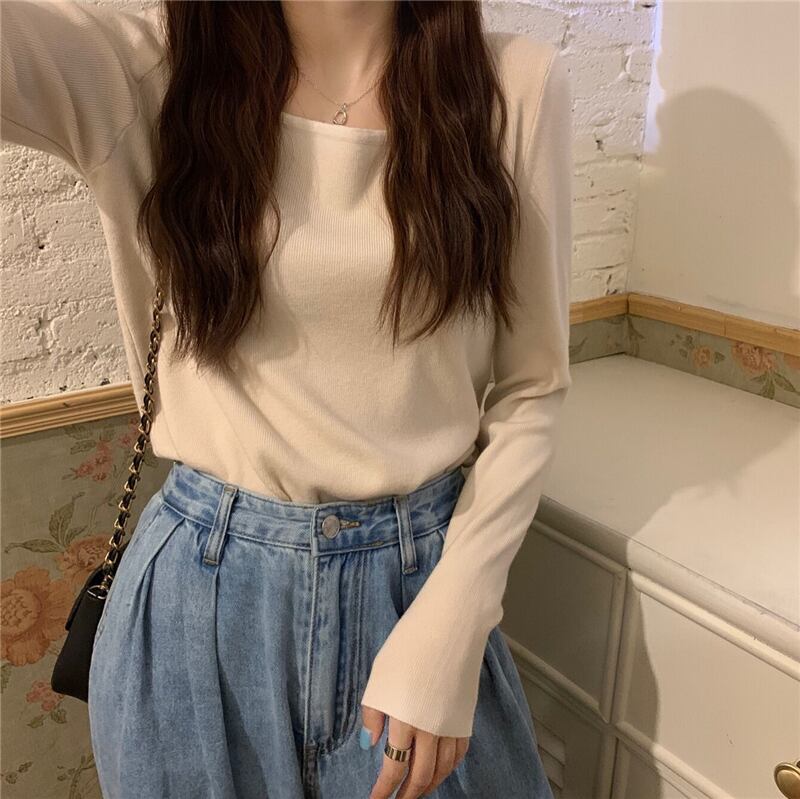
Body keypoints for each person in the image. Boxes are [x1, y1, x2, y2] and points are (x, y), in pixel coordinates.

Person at [1, 1, 572, 797]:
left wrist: (458, 613)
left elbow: (533, 385)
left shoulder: (512, 86)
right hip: (197, 607)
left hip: (420, 592)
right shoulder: (148, 72)